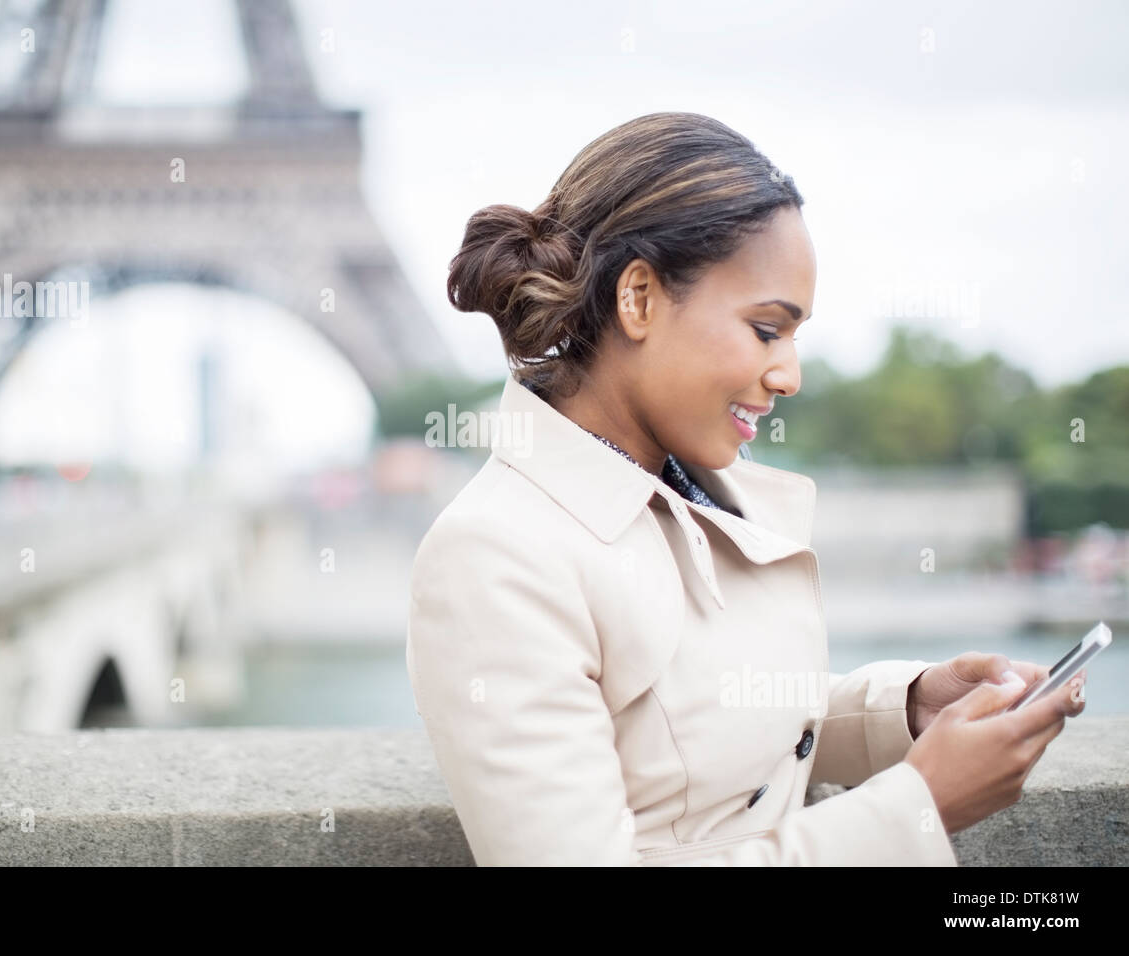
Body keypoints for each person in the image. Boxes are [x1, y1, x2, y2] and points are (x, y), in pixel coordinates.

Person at [405, 111, 1085, 866]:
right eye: (767, 330)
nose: (788, 374)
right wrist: (915, 811)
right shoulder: (492, 557)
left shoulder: (702, 490)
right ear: (638, 298)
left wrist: (909, 709)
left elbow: (723, 727)